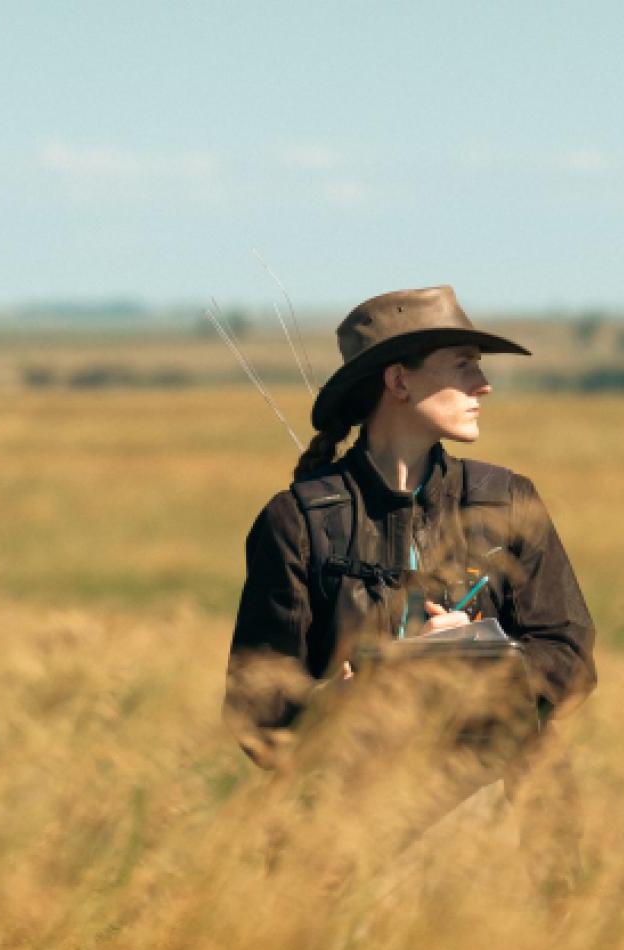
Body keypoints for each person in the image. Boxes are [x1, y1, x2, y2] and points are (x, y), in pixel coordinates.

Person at [222, 286, 598, 800]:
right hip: (343, 832)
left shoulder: (509, 501)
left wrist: (481, 657)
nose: (483, 385)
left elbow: (570, 658)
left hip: (497, 825)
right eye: (464, 364)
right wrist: (335, 705)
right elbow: (255, 713)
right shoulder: (296, 521)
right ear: (399, 380)